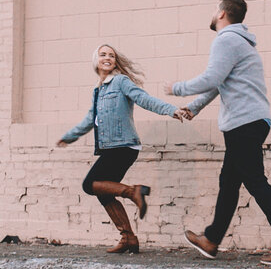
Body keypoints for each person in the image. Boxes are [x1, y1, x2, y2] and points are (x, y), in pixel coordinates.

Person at [166, 0, 271, 266]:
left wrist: (177, 88)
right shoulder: (239, 43)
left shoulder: (226, 40)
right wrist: (194, 107)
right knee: (229, 182)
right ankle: (212, 239)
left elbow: (211, 78)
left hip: (244, 122)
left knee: (254, 180)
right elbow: (219, 84)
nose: (212, 12)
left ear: (221, 13)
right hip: (249, 121)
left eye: (213, 8)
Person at [58, 44, 185, 253]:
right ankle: (129, 238)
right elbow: (90, 120)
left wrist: (171, 110)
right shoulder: (98, 90)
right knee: (104, 192)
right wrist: (69, 137)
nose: (107, 58)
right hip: (111, 148)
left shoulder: (121, 82)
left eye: (111, 55)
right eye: (103, 54)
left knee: (90, 184)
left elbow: (144, 99)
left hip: (124, 146)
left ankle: (133, 192)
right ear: (96, 60)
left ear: (115, 62)